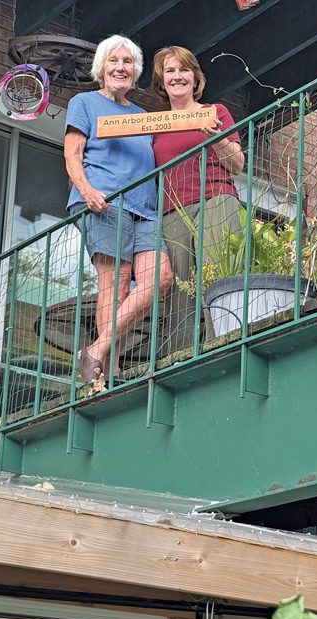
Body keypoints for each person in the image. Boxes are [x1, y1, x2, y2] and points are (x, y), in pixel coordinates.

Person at [64, 34, 173, 384]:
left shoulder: (144, 117)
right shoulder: (85, 103)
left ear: (135, 71)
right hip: (105, 202)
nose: (121, 67)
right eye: (114, 61)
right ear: (101, 67)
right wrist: (86, 189)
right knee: (117, 283)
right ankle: (106, 374)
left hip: (147, 209)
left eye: (127, 62)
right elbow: (72, 154)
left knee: (160, 277)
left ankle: (96, 351)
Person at [150, 46, 245, 353]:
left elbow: (238, 164)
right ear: (161, 81)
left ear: (195, 77)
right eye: (170, 71)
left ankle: (226, 347)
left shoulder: (214, 112)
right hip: (171, 212)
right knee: (180, 292)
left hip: (215, 199)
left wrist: (216, 138)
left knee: (218, 276)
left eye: (184, 69)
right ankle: (178, 360)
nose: (177, 76)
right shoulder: (154, 125)